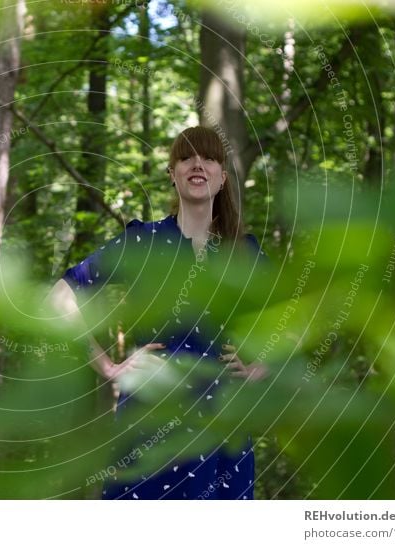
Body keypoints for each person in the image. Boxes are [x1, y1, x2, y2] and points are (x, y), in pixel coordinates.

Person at [48, 126, 267, 499]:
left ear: (222, 177)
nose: (197, 164)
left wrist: (262, 364)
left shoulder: (243, 252)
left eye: (209, 157)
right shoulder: (141, 242)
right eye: (186, 157)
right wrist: (107, 366)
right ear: (172, 173)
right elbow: (59, 298)